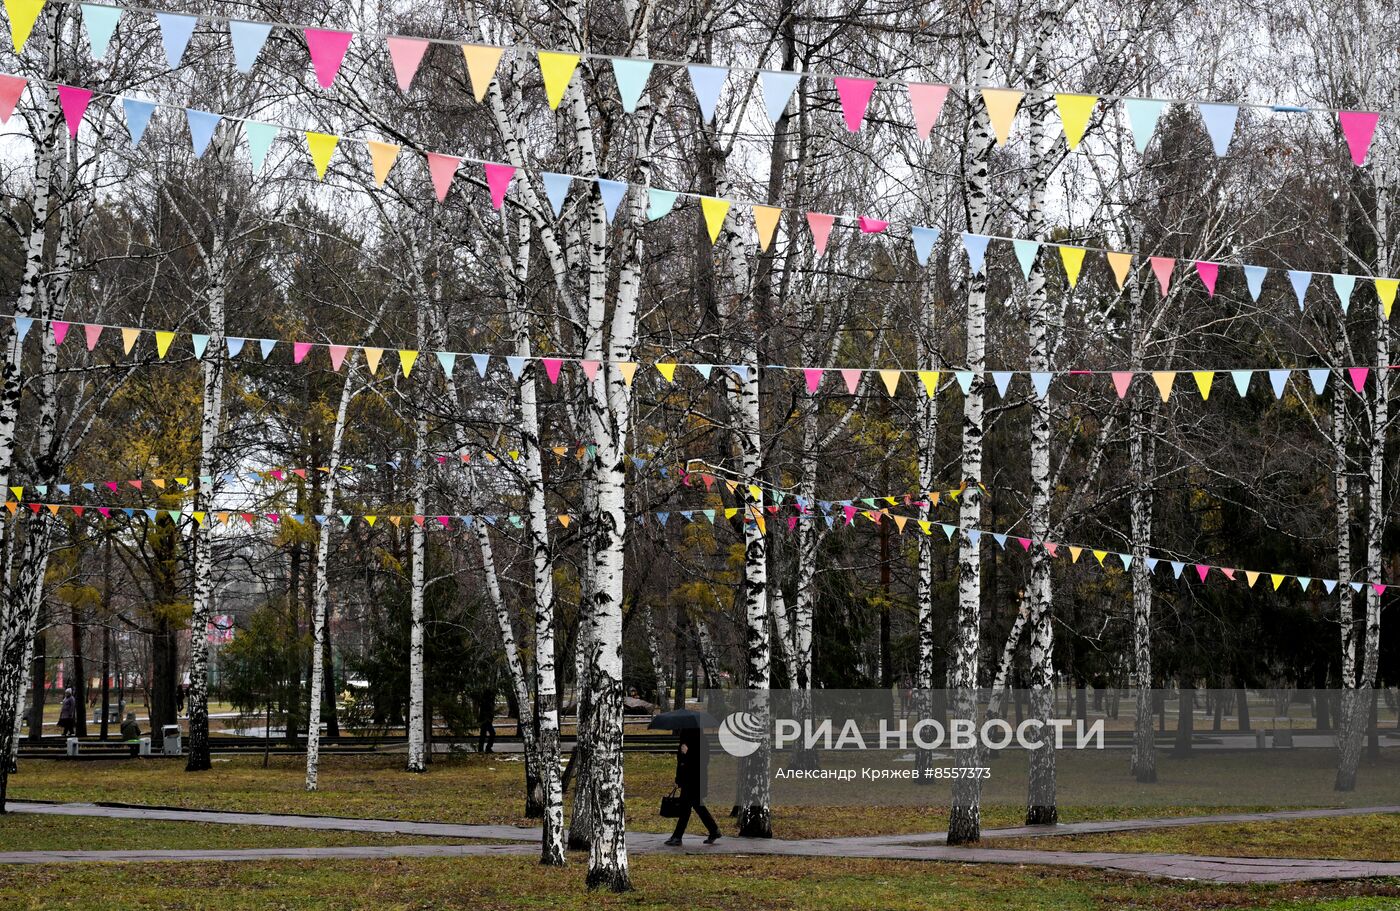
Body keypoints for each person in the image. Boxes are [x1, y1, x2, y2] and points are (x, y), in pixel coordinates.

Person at [665, 726, 721, 846]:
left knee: (686, 808)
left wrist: (687, 754)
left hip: (695, 780)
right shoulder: (685, 742)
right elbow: (680, 763)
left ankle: (677, 836)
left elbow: (701, 761)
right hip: (687, 780)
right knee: (697, 806)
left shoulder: (701, 742)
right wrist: (678, 779)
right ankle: (713, 830)